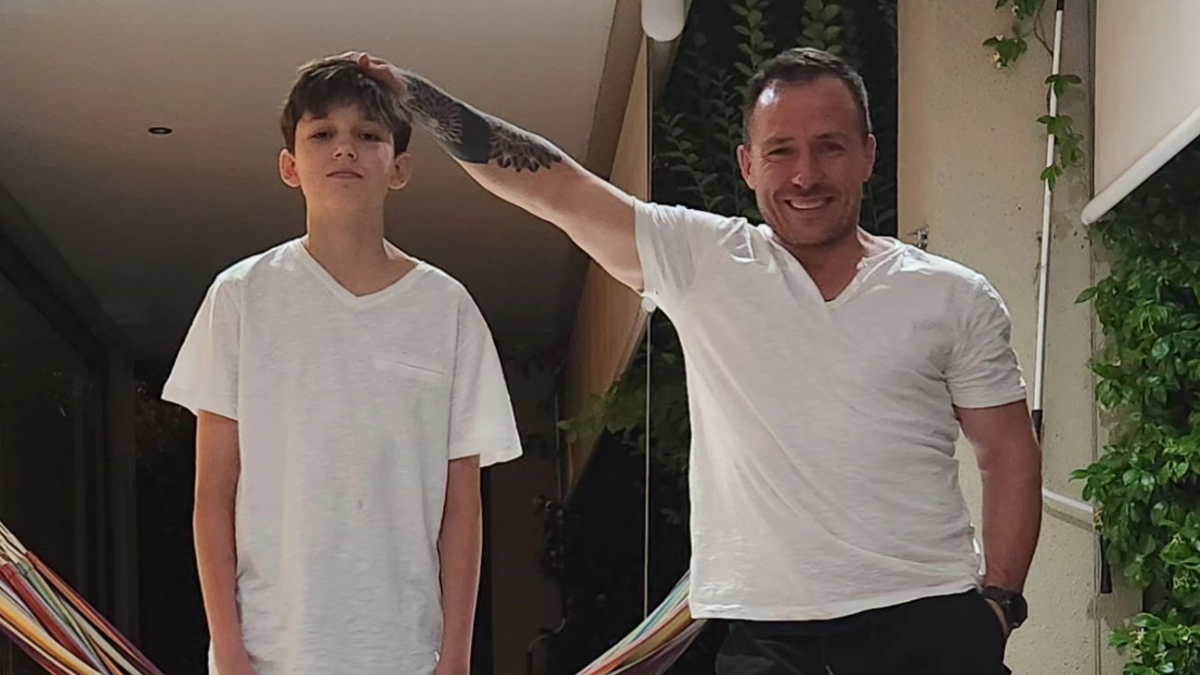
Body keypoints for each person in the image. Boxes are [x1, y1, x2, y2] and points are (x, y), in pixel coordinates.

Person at [348, 46, 1042, 674]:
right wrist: (416, 97)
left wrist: (1000, 604)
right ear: (747, 164)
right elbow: (554, 186)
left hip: (929, 622)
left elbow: (1009, 453)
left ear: (867, 154)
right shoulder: (704, 261)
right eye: (781, 151)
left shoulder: (951, 295)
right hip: (767, 636)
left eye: (829, 147)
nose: (806, 174)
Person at [162, 56, 522, 675]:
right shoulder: (241, 296)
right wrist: (230, 652)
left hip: (405, 652)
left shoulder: (447, 308)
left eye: (369, 134)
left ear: (400, 167)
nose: (344, 148)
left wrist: (456, 659)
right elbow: (214, 493)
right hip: (272, 650)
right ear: (289, 165)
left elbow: (462, 507)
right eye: (322, 132)